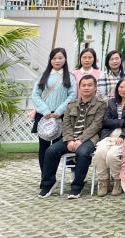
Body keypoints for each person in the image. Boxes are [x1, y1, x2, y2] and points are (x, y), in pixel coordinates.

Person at [38, 75, 106, 198]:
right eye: (83, 85)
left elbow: (96, 125)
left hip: (89, 138)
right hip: (70, 138)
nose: (86, 88)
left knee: (83, 153)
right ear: (79, 88)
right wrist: (69, 140)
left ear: (95, 88)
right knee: (50, 151)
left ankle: (76, 187)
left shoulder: (101, 105)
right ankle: (48, 184)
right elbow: (66, 124)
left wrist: (80, 140)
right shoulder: (71, 105)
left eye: (90, 85)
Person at [32, 47, 76, 182]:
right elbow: (35, 95)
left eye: (60, 58)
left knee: (56, 149)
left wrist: (59, 111)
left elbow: (72, 95)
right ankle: (45, 177)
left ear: (65, 59)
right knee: (43, 147)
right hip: (44, 116)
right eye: (54, 58)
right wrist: (46, 111)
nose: (57, 61)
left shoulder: (70, 77)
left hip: (61, 116)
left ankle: (51, 176)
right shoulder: (43, 76)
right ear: (50, 60)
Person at [94, 78, 125, 197]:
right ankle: (103, 181)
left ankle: (118, 181)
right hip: (108, 135)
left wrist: (123, 135)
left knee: (112, 155)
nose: (123, 90)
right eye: (121, 87)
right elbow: (105, 121)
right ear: (117, 88)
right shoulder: (111, 102)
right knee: (99, 153)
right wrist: (121, 122)